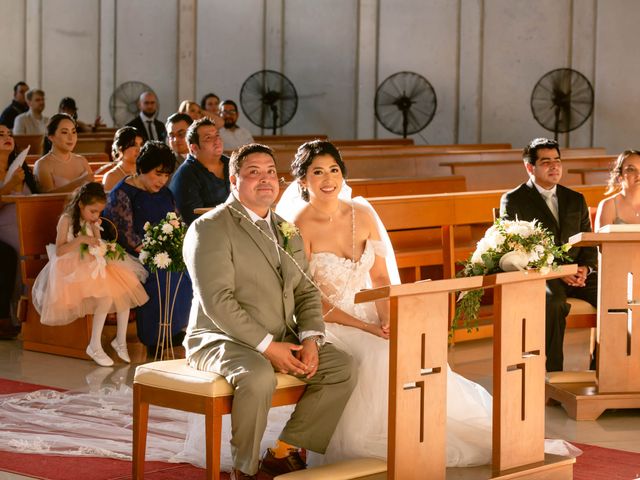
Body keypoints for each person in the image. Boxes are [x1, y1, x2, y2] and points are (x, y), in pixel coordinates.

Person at [274, 140, 492, 467]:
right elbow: (308, 297)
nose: (328, 178)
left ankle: (421, 431)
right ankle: (375, 447)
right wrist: (368, 327)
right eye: (317, 172)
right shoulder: (299, 224)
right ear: (303, 181)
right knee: (377, 355)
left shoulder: (362, 214)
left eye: (333, 169)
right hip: (325, 321)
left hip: (368, 311)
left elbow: (379, 279)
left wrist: (387, 320)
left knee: (413, 349)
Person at [182, 143, 356, 479]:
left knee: (341, 367)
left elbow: (306, 290)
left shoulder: (285, 228)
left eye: (270, 172)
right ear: (234, 180)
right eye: (253, 172)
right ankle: (243, 469)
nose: (265, 179)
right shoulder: (211, 228)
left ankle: (283, 451)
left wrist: (309, 339)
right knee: (258, 376)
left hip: (279, 333)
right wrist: (267, 347)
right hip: (219, 338)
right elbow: (217, 301)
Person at [500, 137, 598, 372]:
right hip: (542, 274)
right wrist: (558, 271)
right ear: (529, 167)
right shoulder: (514, 200)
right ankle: (554, 374)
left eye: (557, 160)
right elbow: (516, 247)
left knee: (614, 296)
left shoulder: (575, 199)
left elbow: (589, 242)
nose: (554, 166)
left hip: (578, 273)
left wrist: (586, 268)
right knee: (553, 303)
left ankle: (603, 371)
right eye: (546, 162)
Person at [31, 182, 148, 366]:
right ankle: (94, 345)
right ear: (80, 204)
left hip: (92, 261)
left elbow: (97, 242)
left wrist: (96, 232)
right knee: (106, 297)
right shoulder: (67, 220)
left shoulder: (91, 220)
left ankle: (120, 340)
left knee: (123, 289)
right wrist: (82, 239)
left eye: (99, 212)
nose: (96, 215)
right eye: (93, 211)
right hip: (70, 266)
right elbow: (60, 251)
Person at [103, 141, 192, 354]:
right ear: (142, 168)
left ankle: (173, 329)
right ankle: (153, 337)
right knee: (158, 275)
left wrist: (178, 245)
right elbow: (125, 234)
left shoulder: (165, 192)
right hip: (133, 252)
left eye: (166, 175)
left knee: (186, 272)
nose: (162, 180)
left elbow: (175, 221)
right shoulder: (123, 193)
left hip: (162, 249)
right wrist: (152, 251)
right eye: (157, 174)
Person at [0, 122, 38, 338]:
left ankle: (33, 316)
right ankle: (15, 315)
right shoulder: (14, 174)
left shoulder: (20, 167)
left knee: (38, 247)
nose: (7, 137)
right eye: (0, 134)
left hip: (24, 222)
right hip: (3, 227)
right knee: (21, 250)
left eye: (9, 134)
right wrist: (9, 185)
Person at [168, 117, 230, 225]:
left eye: (217, 135)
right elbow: (194, 221)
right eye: (208, 138)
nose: (217, 141)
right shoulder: (185, 176)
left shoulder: (232, 165)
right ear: (194, 148)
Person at [33, 114, 94, 193]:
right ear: (51, 137)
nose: (71, 137)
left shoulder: (82, 160)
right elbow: (46, 198)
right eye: (65, 132)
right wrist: (78, 183)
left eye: (73, 132)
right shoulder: (42, 164)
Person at [595, 149, 640, 228]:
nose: (638, 174)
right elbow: (601, 240)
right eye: (631, 169)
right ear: (620, 176)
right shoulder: (608, 205)